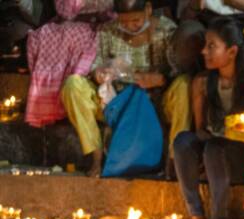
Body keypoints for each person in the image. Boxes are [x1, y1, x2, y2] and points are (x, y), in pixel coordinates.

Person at [60, 0, 190, 176]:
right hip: (116, 104)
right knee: (73, 85)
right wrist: (99, 73)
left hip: (155, 104)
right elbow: (95, 65)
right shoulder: (108, 30)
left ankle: (174, 161)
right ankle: (96, 156)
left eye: (135, 20)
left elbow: (177, 71)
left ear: (148, 9)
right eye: (123, 22)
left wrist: (159, 79)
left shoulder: (166, 30)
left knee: (184, 85)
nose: (130, 26)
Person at [173, 18, 244, 219]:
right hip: (212, 146)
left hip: (238, 153)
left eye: (211, 46)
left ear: (232, 51)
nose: (203, 51)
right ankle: (196, 215)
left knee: (215, 149)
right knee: (182, 141)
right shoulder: (201, 82)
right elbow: (199, 129)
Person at [25, 0, 113, 129]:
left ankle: (80, 103)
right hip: (72, 23)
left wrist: (101, 17)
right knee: (45, 36)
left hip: (101, 25)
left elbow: (113, 10)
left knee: (85, 38)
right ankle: (56, 108)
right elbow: (66, 12)